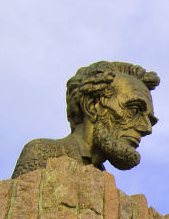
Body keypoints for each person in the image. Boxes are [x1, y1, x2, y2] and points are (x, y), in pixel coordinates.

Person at [12, 60, 159, 178]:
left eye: (149, 120)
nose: (147, 128)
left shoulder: (103, 179)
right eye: (134, 110)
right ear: (91, 106)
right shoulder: (44, 153)